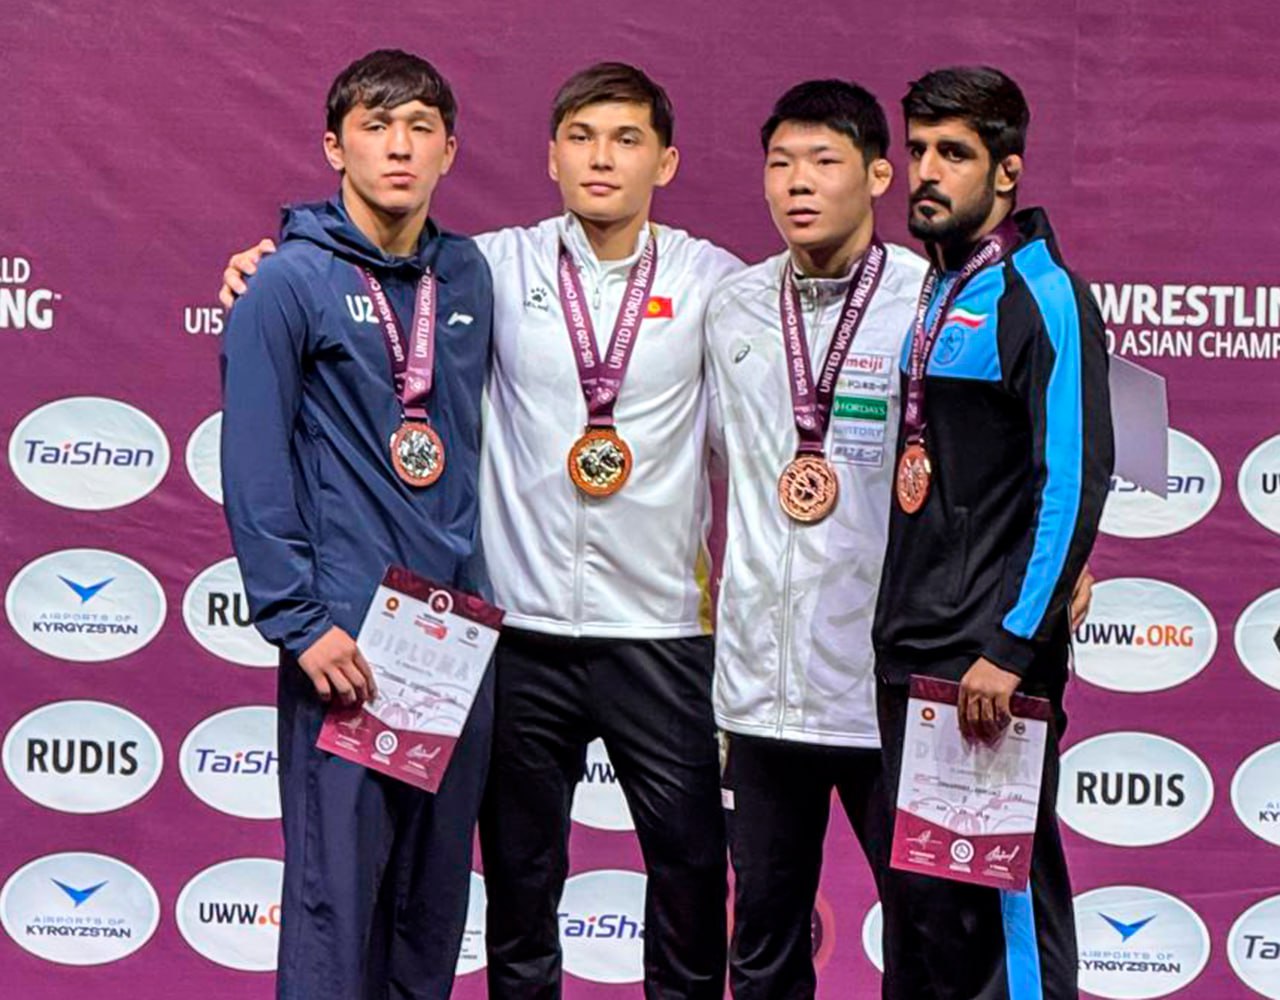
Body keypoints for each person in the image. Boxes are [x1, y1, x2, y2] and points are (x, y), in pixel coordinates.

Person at [220, 61, 741, 999]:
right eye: (581, 138)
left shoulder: (493, 272)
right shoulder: (464, 266)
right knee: (390, 902)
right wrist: (264, 266)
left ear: (666, 161)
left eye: (626, 139)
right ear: (549, 157)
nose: (601, 159)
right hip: (423, 641)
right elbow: (259, 457)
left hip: (537, 642)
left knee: (439, 906)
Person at [219, 49, 494, 1000]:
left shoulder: (471, 275)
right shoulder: (284, 284)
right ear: (335, 146)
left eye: (420, 127)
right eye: (376, 127)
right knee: (334, 913)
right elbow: (253, 470)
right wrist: (299, 623)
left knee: (429, 915)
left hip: (453, 646)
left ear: (450, 149)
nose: (399, 147)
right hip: (346, 644)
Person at [872, 65, 1113, 1000]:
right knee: (927, 918)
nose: (927, 171)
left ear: (1007, 170)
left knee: (1000, 911)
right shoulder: (936, 290)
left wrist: (1012, 648)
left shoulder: (1042, 293)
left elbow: (1072, 478)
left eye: (954, 153)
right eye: (918, 150)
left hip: (987, 662)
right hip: (914, 648)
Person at [704, 79, 926, 999]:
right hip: (761, 693)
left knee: (926, 938)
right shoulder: (731, 307)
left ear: (877, 175)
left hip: (889, 689)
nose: (798, 183)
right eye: (780, 163)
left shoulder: (930, 301)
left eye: (824, 161)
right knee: (762, 943)